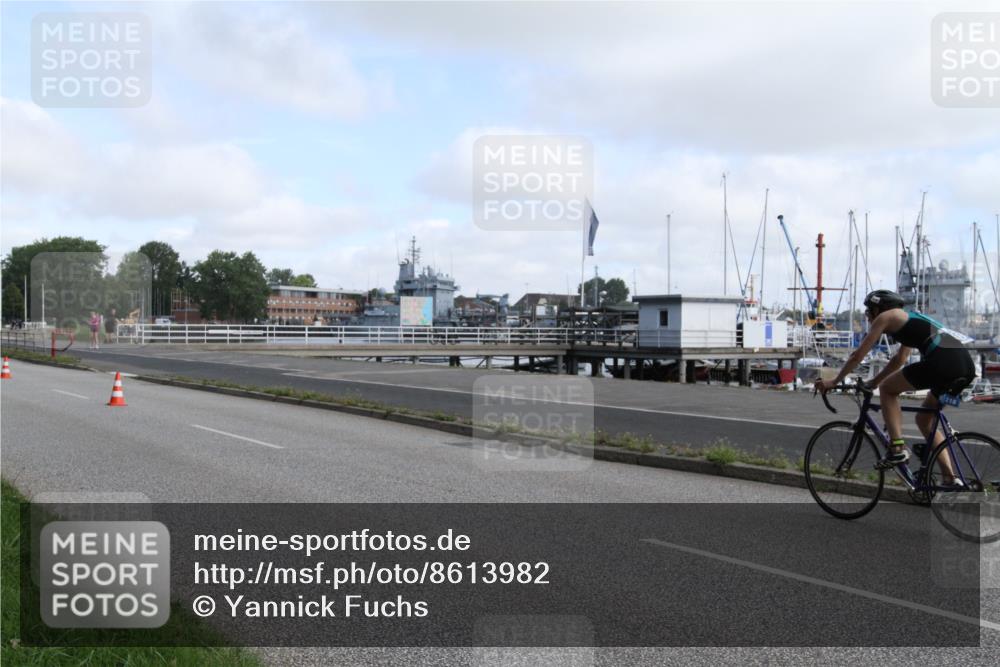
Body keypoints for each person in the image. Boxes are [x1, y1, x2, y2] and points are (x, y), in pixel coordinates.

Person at [815, 289, 975, 482]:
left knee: (887, 390)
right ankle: (950, 479)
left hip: (944, 363)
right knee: (925, 420)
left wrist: (834, 381)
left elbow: (858, 355)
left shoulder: (886, 317)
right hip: (965, 367)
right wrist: (873, 382)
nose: (867, 316)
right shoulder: (909, 319)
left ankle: (897, 448)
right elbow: (899, 360)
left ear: (879, 308)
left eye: (868, 311)